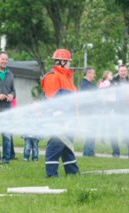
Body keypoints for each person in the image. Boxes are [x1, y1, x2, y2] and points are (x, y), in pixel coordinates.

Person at [41, 48, 79, 177]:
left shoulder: (66, 77)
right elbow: (52, 100)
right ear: (62, 61)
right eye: (68, 62)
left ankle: (72, 172)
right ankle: (51, 175)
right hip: (59, 120)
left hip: (69, 119)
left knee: (67, 147)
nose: (69, 64)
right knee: (55, 145)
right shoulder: (53, 76)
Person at [110, 65, 129, 158]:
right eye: (121, 71)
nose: (123, 72)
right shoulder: (113, 81)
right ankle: (115, 152)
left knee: (128, 133)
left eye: (125, 71)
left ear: (127, 72)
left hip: (127, 111)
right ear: (118, 72)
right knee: (114, 133)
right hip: (115, 111)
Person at [79, 68, 97, 157]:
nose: (95, 75)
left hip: (91, 112)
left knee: (90, 133)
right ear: (88, 73)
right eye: (93, 73)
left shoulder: (88, 85)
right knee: (91, 132)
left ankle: (88, 153)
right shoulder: (85, 85)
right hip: (88, 113)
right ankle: (88, 153)